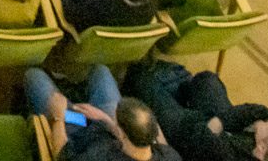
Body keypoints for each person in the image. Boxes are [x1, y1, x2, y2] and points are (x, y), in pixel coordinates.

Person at [125, 61, 268, 161]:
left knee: (140, 79)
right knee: (208, 80)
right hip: (216, 126)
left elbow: (197, 135)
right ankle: (179, 90)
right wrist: (220, 122)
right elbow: (260, 112)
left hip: (187, 136)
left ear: (260, 150)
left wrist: (217, 124)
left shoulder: (226, 156)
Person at [29, 62, 181, 161]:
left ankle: (66, 100)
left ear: (123, 133)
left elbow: (61, 154)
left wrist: (58, 117)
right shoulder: (170, 157)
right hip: (101, 126)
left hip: (76, 132)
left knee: (33, 76)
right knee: (101, 71)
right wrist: (106, 120)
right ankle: (74, 94)